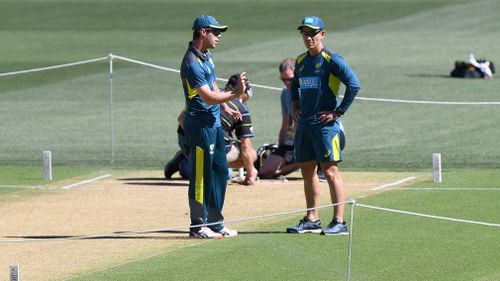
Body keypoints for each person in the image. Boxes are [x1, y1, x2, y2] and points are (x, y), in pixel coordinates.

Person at [286, 16, 361, 236]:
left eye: (313, 33)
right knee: (307, 171)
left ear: (322, 34)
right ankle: (312, 219)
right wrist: (294, 106)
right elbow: (294, 85)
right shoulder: (300, 61)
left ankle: (339, 222)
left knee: (330, 171)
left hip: (325, 127)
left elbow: (354, 85)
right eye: (305, 33)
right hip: (305, 126)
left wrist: (338, 112)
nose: (308, 38)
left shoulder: (332, 60)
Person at [180, 15, 247, 239]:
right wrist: (236, 93)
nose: (218, 36)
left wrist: (227, 107)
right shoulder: (191, 62)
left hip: (214, 123)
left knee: (219, 170)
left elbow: (214, 85)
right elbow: (208, 97)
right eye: (215, 32)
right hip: (200, 125)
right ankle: (198, 226)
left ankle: (215, 222)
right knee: (201, 175)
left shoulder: (207, 57)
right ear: (202, 32)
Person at [165, 75, 257, 185]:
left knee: (221, 172)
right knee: (251, 155)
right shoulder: (242, 108)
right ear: (243, 91)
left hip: (186, 141)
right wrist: (251, 173)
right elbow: (246, 145)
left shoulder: (209, 94)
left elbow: (181, 119)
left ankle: (191, 159)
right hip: (208, 148)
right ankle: (184, 164)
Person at [258, 58, 301, 179]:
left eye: (290, 79)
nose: (287, 83)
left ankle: (313, 161)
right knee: (265, 172)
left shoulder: (306, 91)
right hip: (295, 138)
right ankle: (301, 163)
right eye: (283, 79)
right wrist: (281, 147)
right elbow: (286, 124)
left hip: (315, 136)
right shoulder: (285, 93)